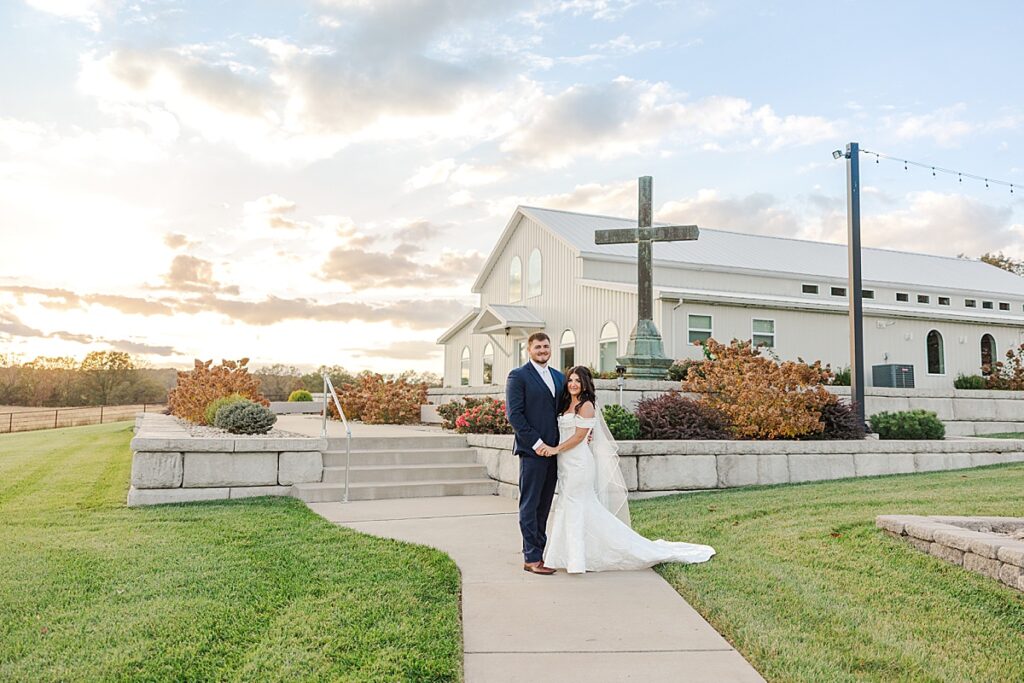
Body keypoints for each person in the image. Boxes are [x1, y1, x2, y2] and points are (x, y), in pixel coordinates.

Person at [541, 366, 716, 574]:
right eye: (570, 380)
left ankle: (577, 560)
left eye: (577, 380)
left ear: (585, 384)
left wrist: (555, 449)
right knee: (568, 506)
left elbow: (579, 436)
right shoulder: (566, 404)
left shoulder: (586, 405)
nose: (573, 384)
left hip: (579, 464)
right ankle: (564, 555)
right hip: (565, 464)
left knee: (576, 505)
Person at [505, 332, 565, 575]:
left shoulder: (559, 377)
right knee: (530, 505)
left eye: (546, 346)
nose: (543, 350)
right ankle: (531, 558)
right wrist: (537, 443)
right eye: (538, 346)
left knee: (544, 505)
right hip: (532, 452)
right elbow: (515, 415)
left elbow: (563, 412)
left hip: (555, 452)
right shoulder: (518, 376)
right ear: (529, 350)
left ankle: (541, 553)